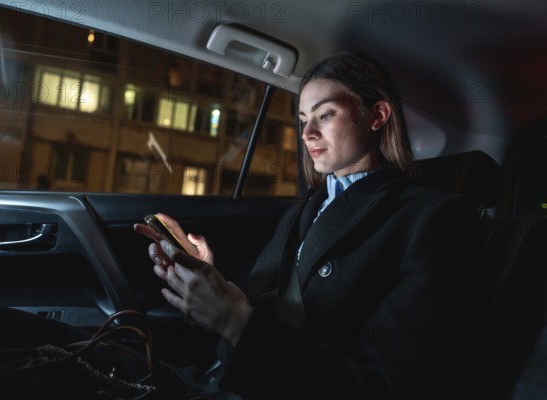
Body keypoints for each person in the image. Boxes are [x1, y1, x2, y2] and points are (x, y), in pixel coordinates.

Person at [134, 52, 488, 400]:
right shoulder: (302, 213)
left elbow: (390, 386)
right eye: (303, 119)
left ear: (377, 115)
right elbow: (263, 316)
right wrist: (208, 283)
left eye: (325, 114)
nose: (307, 133)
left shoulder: (433, 217)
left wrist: (234, 321)